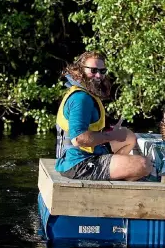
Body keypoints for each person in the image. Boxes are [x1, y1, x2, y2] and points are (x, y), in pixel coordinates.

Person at [55, 51, 152, 181]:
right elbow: (78, 139)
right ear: (80, 71)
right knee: (144, 165)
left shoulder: (87, 93)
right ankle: (114, 174)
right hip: (77, 163)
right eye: (93, 70)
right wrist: (111, 136)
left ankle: (114, 170)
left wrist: (111, 131)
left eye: (102, 71)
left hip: (87, 152)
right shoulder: (81, 98)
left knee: (128, 136)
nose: (99, 75)